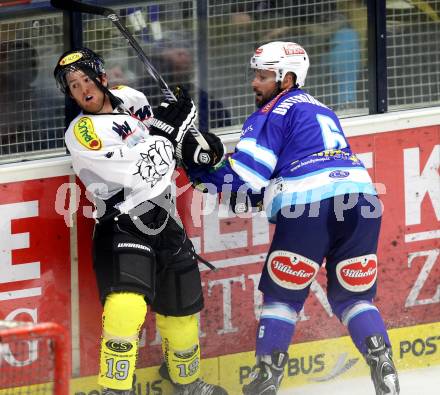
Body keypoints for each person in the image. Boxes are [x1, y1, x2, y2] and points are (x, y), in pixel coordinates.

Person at [185, 42, 400, 395]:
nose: (254, 82)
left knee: (283, 299)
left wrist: (197, 166)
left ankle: (267, 379)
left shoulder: (271, 113)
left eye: (263, 75)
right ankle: (383, 361)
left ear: (287, 78)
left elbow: (243, 183)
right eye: (255, 73)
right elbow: (260, 188)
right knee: (353, 299)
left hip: (308, 207)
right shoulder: (321, 109)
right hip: (363, 201)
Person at [53, 47, 227, 395]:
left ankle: (187, 382)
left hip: (167, 218)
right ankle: (116, 389)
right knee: (126, 304)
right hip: (122, 222)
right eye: (73, 86)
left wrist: (193, 140)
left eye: (86, 79)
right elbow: (139, 169)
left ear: (102, 78)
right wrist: (167, 133)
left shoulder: (132, 100)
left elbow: (169, 147)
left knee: (182, 305)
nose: (82, 89)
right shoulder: (82, 132)